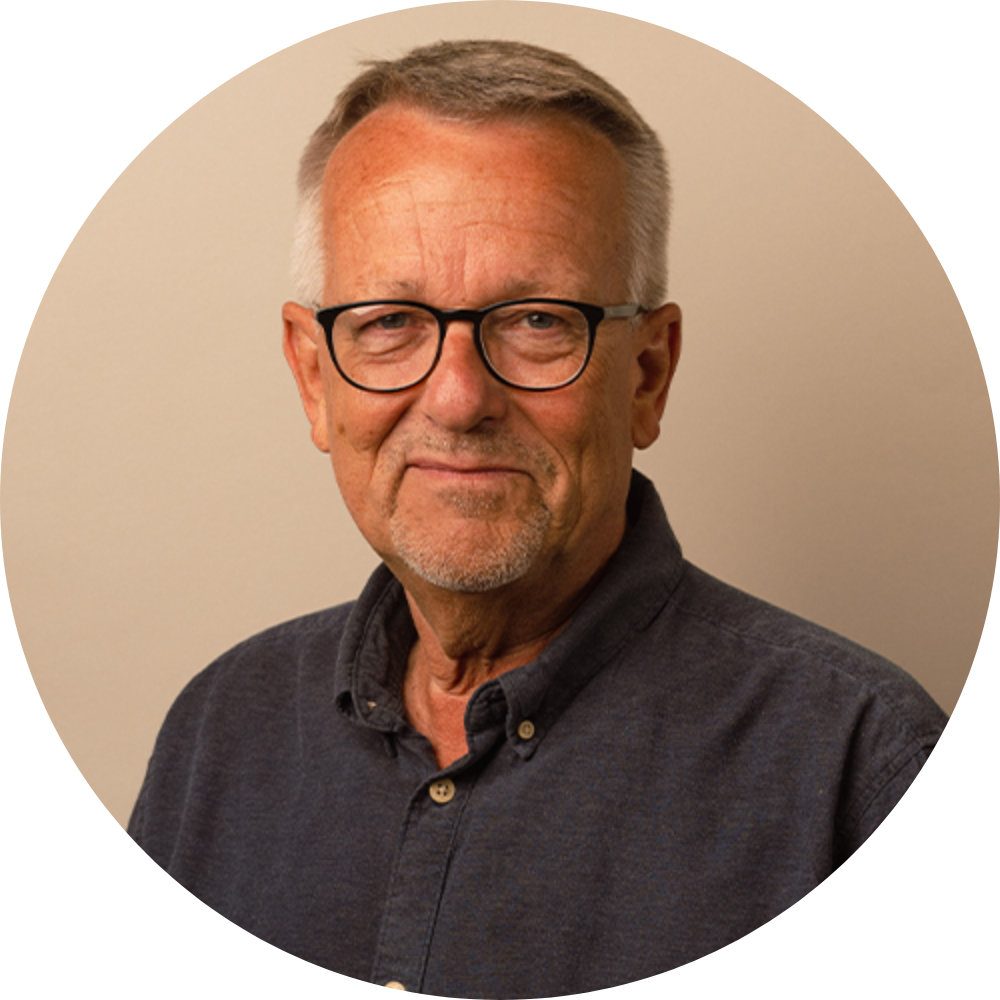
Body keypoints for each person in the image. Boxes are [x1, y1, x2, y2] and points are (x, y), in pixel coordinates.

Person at [129, 39, 947, 997]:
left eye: (537, 319)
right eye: (390, 321)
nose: (457, 399)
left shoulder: (864, 772)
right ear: (314, 378)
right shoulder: (220, 731)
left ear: (647, 375)